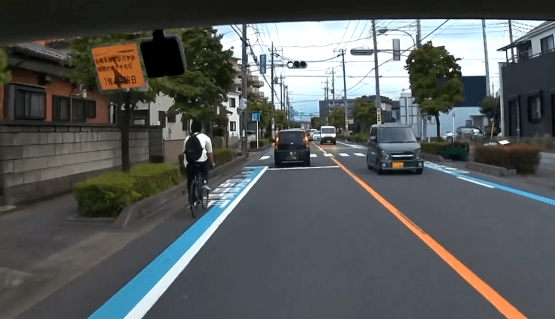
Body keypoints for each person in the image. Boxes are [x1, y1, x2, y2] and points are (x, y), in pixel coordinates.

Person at [183, 119, 215, 207]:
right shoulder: (206, 138)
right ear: (201, 128)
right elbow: (210, 153)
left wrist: (185, 165)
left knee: (190, 179)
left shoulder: (187, 138)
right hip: (201, 162)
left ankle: (191, 196)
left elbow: (184, 152)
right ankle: (204, 183)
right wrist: (212, 163)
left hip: (190, 163)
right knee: (205, 170)